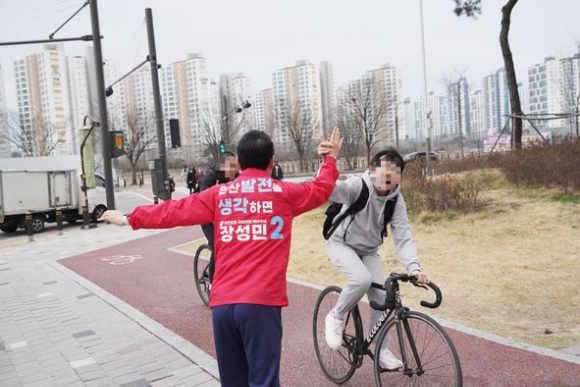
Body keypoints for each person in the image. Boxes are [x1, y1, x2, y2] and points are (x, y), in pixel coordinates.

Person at [99, 128, 343, 387]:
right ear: (272, 163)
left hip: (223, 306)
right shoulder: (284, 194)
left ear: (238, 162)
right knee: (264, 382)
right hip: (260, 304)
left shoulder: (219, 195)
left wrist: (128, 218)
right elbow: (321, 189)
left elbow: (173, 211)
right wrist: (330, 159)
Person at [317, 145, 429, 371]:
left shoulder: (396, 200)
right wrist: (325, 163)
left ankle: (381, 350)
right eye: (384, 172)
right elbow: (328, 190)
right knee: (361, 279)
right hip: (341, 244)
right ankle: (336, 316)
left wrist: (414, 268)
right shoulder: (358, 186)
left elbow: (403, 235)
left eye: (394, 174)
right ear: (372, 169)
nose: (388, 178)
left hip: (368, 250)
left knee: (383, 295)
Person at [199, 151, 239, 283]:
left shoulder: (236, 176)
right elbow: (202, 200)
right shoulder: (210, 178)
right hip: (209, 220)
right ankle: (212, 284)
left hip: (227, 218)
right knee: (217, 248)